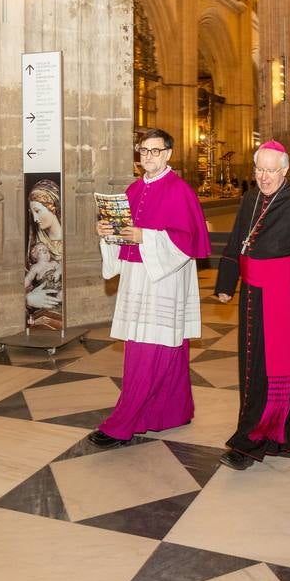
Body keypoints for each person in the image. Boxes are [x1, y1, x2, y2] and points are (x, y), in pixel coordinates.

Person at [89, 129, 210, 447]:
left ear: (169, 153)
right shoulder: (133, 188)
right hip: (136, 276)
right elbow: (123, 233)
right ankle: (170, 412)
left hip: (164, 279)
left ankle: (123, 423)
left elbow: (188, 240)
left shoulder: (180, 190)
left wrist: (146, 237)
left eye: (155, 151)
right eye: (143, 151)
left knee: (148, 351)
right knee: (159, 348)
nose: (148, 157)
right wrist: (106, 231)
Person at [212, 141, 290, 469]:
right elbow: (238, 239)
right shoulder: (250, 197)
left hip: (284, 296)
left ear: (285, 170)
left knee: (272, 366)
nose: (263, 177)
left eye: (271, 170)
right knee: (252, 362)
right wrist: (226, 282)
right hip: (251, 293)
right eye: (259, 169)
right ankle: (289, 420)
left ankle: (253, 438)